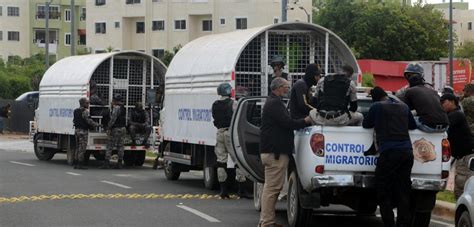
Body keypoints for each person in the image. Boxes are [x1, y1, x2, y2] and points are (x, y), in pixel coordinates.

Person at [259, 77, 312, 227]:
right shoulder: (275, 103)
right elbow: (287, 123)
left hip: (273, 152)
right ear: (278, 88)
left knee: (272, 188)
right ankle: (267, 222)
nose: (288, 89)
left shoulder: (273, 102)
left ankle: (266, 220)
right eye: (286, 87)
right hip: (275, 153)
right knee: (272, 189)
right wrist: (305, 121)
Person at [363, 87, 417, 227]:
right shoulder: (404, 107)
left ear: (374, 98)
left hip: (389, 153)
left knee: (383, 189)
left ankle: (389, 223)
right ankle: (402, 223)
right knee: (403, 190)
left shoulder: (376, 106)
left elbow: (366, 123)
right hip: (407, 153)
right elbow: (412, 125)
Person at [211, 83, 250, 199]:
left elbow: (214, 119)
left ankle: (223, 191)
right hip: (230, 133)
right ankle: (241, 189)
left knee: (221, 162)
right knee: (238, 160)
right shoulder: (234, 103)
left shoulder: (215, 104)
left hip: (219, 133)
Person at [397, 62, 449, 132]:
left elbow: (403, 111)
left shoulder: (406, 91)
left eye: (413, 75)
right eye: (409, 75)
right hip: (445, 125)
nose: (411, 77)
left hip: (428, 125)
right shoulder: (431, 89)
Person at [440, 93, 474, 199]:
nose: (442, 105)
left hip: (466, 156)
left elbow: (443, 126)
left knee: (463, 186)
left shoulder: (456, 114)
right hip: (461, 156)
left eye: (443, 103)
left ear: (452, 102)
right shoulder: (454, 114)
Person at [73, 98, 99, 169]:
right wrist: (97, 124)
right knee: (82, 148)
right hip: (83, 131)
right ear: (83, 104)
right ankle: (80, 164)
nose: (88, 104)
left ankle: (75, 163)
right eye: (87, 103)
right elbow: (89, 121)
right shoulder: (85, 111)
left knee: (77, 147)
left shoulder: (75, 111)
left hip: (77, 130)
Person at [102, 94, 126, 169]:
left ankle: (106, 163)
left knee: (109, 146)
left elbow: (113, 119)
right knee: (120, 146)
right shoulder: (123, 108)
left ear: (114, 100)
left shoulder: (116, 108)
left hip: (115, 129)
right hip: (123, 129)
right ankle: (120, 163)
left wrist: (108, 127)